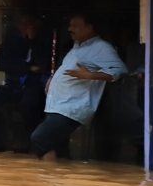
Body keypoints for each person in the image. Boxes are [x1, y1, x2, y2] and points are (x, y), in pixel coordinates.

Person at [29, 14, 128, 161]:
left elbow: (120, 70)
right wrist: (53, 79)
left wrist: (91, 75)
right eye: (70, 25)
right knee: (59, 147)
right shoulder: (77, 47)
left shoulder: (101, 47)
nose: (70, 29)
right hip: (57, 105)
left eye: (75, 26)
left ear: (89, 28)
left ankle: (47, 178)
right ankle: (59, 181)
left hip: (72, 107)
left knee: (40, 139)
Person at [0, 13, 49, 152]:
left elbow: (43, 65)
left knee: (30, 105)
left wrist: (32, 40)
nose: (23, 27)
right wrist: (28, 68)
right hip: (12, 85)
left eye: (27, 24)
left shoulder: (45, 39)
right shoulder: (12, 40)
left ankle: (33, 148)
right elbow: (1, 64)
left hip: (33, 85)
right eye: (20, 24)